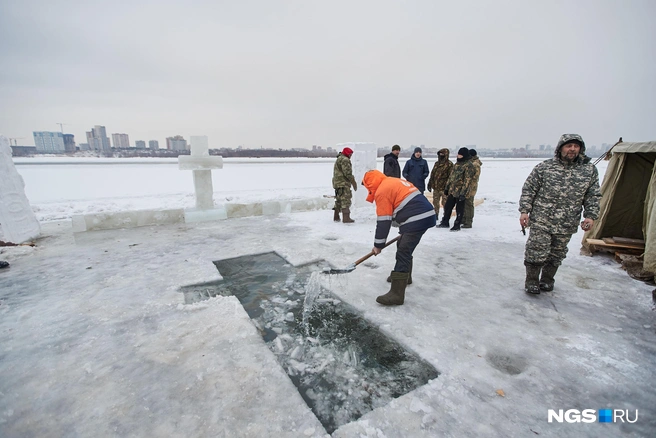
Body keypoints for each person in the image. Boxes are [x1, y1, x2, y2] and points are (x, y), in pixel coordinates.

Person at [519, 134, 601, 294]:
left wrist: (590, 216)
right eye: (569, 146)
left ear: (580, 149)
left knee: (557, 254)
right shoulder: (545, 167)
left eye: (576, 146)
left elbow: (593, 195)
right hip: (541, 219)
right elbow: (529, 189)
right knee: (536, 250)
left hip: (567, 222)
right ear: (560, 148)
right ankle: (532, 281)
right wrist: (524, 211)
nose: (572, 149)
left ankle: (547, 280)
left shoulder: (588, 170)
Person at [362, 170, 436, 305]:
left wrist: (378, 245)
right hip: (425, 215)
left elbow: (384, 221)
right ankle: (405, 277)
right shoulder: (392, 181)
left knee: (403, 251)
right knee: (403, 245)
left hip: (417, 218)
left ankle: (396, 294)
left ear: (370, 184)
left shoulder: (382, 191)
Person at [437, 147, 477, 231]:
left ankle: (457, 224)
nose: (458, 156)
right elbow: (451, 177)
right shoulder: (457, 164)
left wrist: (463, 193)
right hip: (452, 191)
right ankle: (445, 222)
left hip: (460, 192)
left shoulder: (469, 166)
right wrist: (447, 188)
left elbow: (467, 181)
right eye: (458, 154)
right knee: (448, 207)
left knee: (459, 209)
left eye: (460, 154)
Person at [332, 147, 357, 223]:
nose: (351, 156)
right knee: (346, 200)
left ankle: (336, 217)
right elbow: (347, 173)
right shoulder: (345, 160)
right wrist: (353, 182)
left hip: (337, 183)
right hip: (343, 183)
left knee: (339, 200)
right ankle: (346, 218)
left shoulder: (339, 158)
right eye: (350, 154)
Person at [427, 148, 454, 219]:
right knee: (435, 202)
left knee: (445, 203)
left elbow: (451, 177)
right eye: (440, 154)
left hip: (444, 188)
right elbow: (433, 174)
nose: (441, 155)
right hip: (436, 187)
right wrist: (430, 183)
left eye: (442, 154)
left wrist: (449, 188)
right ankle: (435, 215)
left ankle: (446, 216)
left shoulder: (449, 164)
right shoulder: (436, 164)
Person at [462, 149, 482, 228]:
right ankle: (464, 219)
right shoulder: (471, 163)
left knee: (469, 204)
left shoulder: (475, 164)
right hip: (468, 186)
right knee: (465, 203)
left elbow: (474, 177)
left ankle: (468, 222)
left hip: (471, 187)